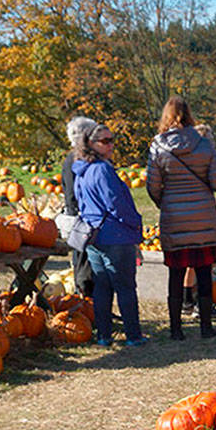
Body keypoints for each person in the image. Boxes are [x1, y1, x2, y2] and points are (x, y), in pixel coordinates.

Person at [146, 96, 216, 340]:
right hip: (204, 218)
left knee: (176, 273)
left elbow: (152, 186)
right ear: (190, 114)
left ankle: (176, 329)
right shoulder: (204, 144)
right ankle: (205, 326)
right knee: (203, 272)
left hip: (174, 218)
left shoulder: (158, 146)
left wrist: (166, 203)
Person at [71, 117, 146, 347]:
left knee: (102, 285)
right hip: (116, 235)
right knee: (124, 285)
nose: (110, 144)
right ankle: (133, 335)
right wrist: (135, 223)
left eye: (112, 140)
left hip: (93, 236)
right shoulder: (102, 170)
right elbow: (116, 203)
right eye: (104, 141)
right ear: (91, 144)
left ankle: (103, 335)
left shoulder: (81, 170)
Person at [62, 116, 94, 297]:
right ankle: (85, 304)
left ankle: (92, 306)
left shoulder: (77, 158)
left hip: (83, 218)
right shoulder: (74, 160)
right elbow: (71, 196)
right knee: (84, 266)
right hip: (81, 220)